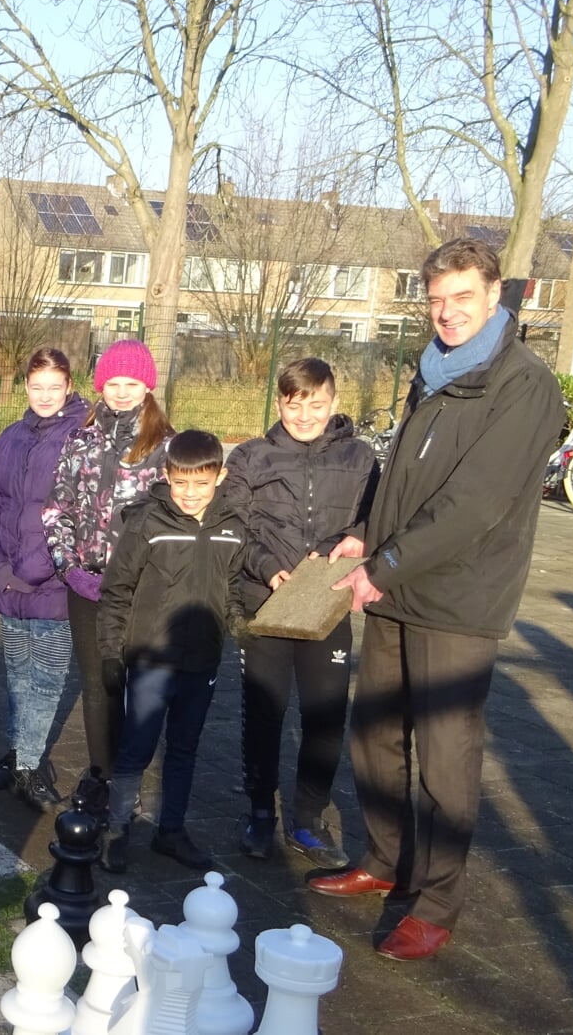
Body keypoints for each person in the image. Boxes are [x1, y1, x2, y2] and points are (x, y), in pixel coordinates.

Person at [311, 238, 562, 962]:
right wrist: (364, 535)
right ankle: (384, 862)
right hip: (394, 581)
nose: (446, 313)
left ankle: (438, 898)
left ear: (494, 298)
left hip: (458, 595)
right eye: (435, 300)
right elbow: (401, 480)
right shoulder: (435, 371)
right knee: (376, 737)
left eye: (462, 299)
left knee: (446, 757)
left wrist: (386, 565)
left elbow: (475, 503)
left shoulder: (521, 384)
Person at [225, 357, 378, 867]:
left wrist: (363, 536)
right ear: (280, 403)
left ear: (334, 402)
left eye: (316, 403)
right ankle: (259, 815)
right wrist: (268, 567)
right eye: (295, 404)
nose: (305, 414)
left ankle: (308, 821)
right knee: (264, 713)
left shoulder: (361, 459)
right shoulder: (251, 457)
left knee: (324, 715)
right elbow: (232, 527)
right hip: (264, 601)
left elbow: (379, 516)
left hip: (327, 604)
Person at [98, 430, 246, 873]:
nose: (190, 494)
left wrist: (238, 623)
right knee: (136, 748)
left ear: (220, 477)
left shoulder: (234, 527)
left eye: (201, 483)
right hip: (150, 658)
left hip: (201, 661)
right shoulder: (147, 523)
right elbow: (116, 590)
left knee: (185, 747)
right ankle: (117, 828)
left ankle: (172, 830)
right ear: (167, 476)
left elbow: (232, 587)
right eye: (181, 483)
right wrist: (110, 652)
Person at [43, 339, 173, 801]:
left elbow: (173, 519)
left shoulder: (164, 445)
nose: (121, 392)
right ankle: (100, 774)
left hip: (139, 588)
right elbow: (58, 507)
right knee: (97, 683)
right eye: (113, 383)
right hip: (86, 583)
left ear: (147, 387)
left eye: (131, 383)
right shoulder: (80, 439)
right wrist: (68, 567)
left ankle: (129, 779)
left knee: (134, 683)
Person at [0, 347, 90, 811]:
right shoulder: (12, 437)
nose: (45, 396)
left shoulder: (81, 436)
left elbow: (79, 511)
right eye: (36, 386)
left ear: (70, 386)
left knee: (45, 678)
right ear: (25, 386)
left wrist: (38, 571)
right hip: (7, 579)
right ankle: (23, 754)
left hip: (52, 583)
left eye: (54, 387)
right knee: (17, 675)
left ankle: (28, 765)